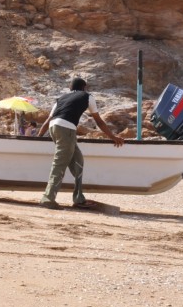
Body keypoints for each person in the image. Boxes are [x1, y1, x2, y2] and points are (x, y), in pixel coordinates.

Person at [36, 77, 125, 209]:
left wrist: (38, 137)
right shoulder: (87, 96)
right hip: (66, 129)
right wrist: (113, 137)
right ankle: (48, 199)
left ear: (70, 88)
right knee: (59, 164)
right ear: (84, 87)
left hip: (54, 128)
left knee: (78, 162)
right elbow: (99, 121)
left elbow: (48, 120)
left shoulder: (60, 99)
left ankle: (78, 198)